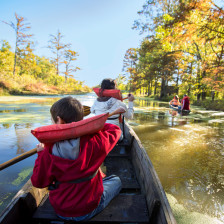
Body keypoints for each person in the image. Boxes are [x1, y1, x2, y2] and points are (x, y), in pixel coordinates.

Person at [31, 96, 123, 222]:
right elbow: (115, 129)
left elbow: (38, 182)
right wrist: (89, 126)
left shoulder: (47, 151)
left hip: (61, 210)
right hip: (88, 209)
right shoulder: (96, 141)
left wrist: (40, 154)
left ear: (58, 120)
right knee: (116, 180)